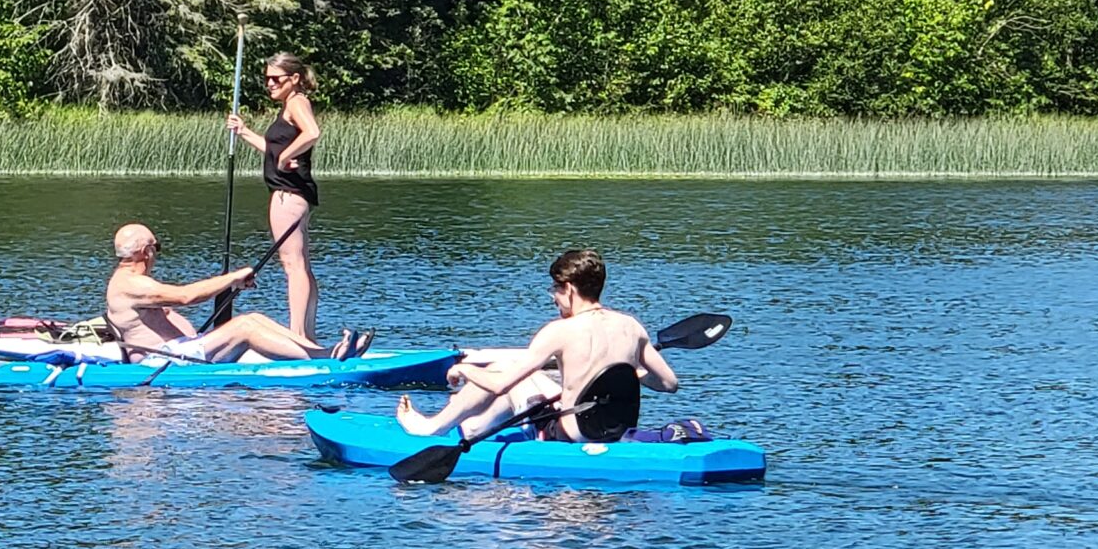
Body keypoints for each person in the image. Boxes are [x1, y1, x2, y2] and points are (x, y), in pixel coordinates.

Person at [397, 247, 678, 442]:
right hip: (616, 429)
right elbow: (668, 383)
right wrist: (629, 372)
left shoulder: (558, 331)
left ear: (568, 289)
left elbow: (499, 386)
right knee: (512, 369)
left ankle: (433, 428)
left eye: (555, 289)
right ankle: (473, 427)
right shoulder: (631, 326)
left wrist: (465, 369)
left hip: (573, 433)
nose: (554, 297)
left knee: (501, 375)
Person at [104, 224, 327, 364]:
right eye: (157, 247)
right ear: (146, 252)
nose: (157, 254)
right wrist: (233, 278)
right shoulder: (130, 284)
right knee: (245, 326)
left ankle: (319, 351)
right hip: (163, 358)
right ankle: (323, 360)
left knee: (254, 319)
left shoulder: (134, 283)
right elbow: (186, 297)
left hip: (181, 348)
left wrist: (229, 286)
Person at [227, 50, 321, 340]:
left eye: (275, 79)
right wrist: (244, 133)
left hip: (287, 196)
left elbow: (312, 133)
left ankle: (298, 338)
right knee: (300, 264)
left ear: (294, 79)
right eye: (266, 79)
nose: (269, 84)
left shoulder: (297, 102)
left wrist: (285, 158)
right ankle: (308, 336)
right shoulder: (289, 106)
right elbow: (274, 149)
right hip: (291, 195)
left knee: (293, 266)